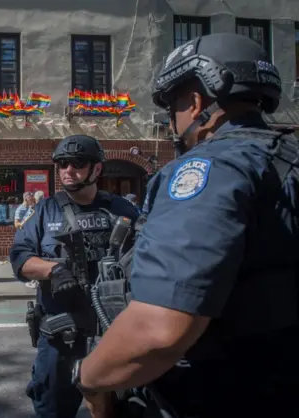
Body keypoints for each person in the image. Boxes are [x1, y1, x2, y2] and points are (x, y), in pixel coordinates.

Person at [75, 33, 299, 418]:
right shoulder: (287, 161)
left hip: (226, 394)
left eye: (172, 108)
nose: (171, 123)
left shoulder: (210, 169)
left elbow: (159, 331)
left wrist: (90, 380)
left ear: (195, 103)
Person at [9, 134, 138, 418]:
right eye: (63, 164)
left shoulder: (122, 210)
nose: (69, 170)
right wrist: (53, 270)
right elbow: (19, 258)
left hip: (113, 332)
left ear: (97, 169)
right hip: (61, 336)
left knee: (117, 408)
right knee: (52, 407)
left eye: (78, 163)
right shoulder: (45, 211)